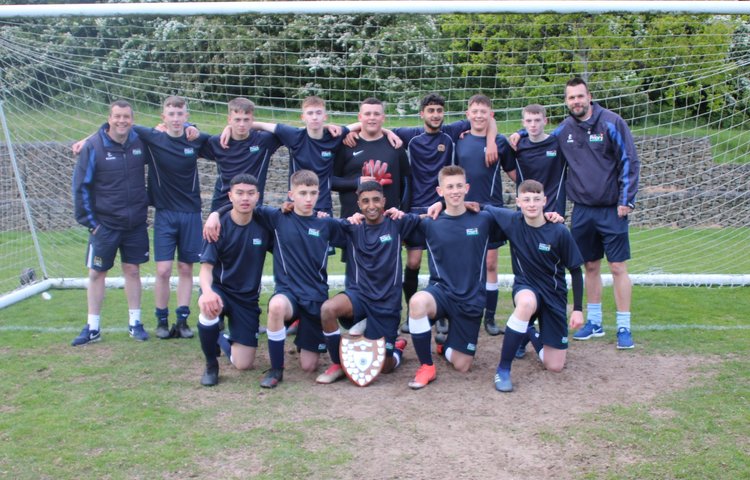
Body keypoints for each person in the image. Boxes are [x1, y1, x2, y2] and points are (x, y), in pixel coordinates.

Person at [205, 170, 347, 388]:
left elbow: (356, 232)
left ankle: (303, 340)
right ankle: (276, 369)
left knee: (309, 366)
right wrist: (215, 214)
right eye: (302, 193)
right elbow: (242, 204)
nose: (307, 199)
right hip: (288, 294)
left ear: (319, 194)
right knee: (276, 306)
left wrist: (357, 218)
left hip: (315, 298)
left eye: (312, 193)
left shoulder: (326, 224)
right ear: (291, 194)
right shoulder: (277, 217)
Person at [376, 93, 498, 334]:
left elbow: (486, 117)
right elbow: (378, 127)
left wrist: (492, 141)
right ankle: (412, 315)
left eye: (439, 111)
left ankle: (442, 313)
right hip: (416, 209)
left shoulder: (451, 133)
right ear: (422, 114)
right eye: (430, 111)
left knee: (442, 261)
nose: (435, 115)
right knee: (413, 262)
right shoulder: (410, 136)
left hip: (444, 208)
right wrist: (389, 133)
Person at [558, 78, 639, 349]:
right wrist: (519, 135)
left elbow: (629, 159)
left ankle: (624, 326)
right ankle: (594, 322)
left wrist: (626, 200)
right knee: (589, 266)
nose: (576, 102)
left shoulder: (612, 122)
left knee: (617, 267)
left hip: (611, 209)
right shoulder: (565, 129)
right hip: (582, 211)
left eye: (580, 96)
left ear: (589, 96)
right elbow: (541, 142)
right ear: (566, 101)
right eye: (571, 98)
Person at [405, 165, 501, 390]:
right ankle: (426, 366)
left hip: (471, 299)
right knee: (417, 302)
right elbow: (393, 226)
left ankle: (445, 346)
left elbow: (518, 221)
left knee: (462, 365)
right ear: (440, 191)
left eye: (459, 186)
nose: (455, 191)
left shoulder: (484, 220)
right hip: (441, 292)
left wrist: (548, 215)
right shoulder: (429, 222)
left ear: (467, 188)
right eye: (450, 187)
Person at [315, 181, 420, 384]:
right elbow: (317, 221)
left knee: (385, 369)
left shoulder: (397, 223)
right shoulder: (351, 227)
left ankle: (396, 347)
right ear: (359, 204)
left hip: (387, 304)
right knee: (328, 309)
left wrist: (441, 205)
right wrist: (295, 207)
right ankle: (338, 364)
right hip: (359, 296)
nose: (371, 205)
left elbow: (429, 218)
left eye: (375, 200)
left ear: (384, 201)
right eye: (365, 201)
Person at [484, 180, 584, 392]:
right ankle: (503, 370)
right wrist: (440, 205)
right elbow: (479, 206)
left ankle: (529, 332)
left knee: (554, 366)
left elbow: (576, 270)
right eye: (526, 199)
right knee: (526, 303)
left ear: (545, 201)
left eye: (536, 199)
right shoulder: (512, 221)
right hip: (526, 287)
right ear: (518, 202)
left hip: (554, 295)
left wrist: (577, 310)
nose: (531, 204)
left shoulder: (559, 231)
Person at [131, 96, 212, 340]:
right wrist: (86, 140)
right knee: (164, 270)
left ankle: (183, 320)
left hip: (190, 213)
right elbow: (115, 126)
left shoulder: (196, 139)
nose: (176, 118)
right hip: (165, 213)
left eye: (181, 114)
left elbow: (221, 141)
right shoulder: (153, 138)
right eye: (171, 114)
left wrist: (194, 128)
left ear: (186, 116)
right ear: (163, 118)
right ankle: (162, 320)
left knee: (186, 267)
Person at [71, 100, 151, 345]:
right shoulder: (93, 146)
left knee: (133, 271)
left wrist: (188, 125)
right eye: (117, 116)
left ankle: (135, 323)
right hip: (104, 225)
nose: (122, 121)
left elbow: (167, 130)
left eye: (126, 116)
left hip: (135, 224)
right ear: (109, 118)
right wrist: (91, 223)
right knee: (96, 273)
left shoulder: (140, 141)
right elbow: (80, 187)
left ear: (132, 119)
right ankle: (92, 328)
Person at [196, 174, 272, 386]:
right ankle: (211, 365)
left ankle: (219, 337)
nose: (245, 198)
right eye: (239, 193)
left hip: (246, 299)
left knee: (244, 364)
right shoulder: (217, 226)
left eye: (250, 193)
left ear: (258, 196)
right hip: (220, 290)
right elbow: (205, 270)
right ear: (230, 196)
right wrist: (208, 292)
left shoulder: (265, 224)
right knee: (207, 306)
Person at [455, 94, 515, 336]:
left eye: (484, 111)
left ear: (490, 115)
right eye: (475, 111)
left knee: (490, 264)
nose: (479, 115)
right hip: (462, 210)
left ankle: (489, 318)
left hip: (490, 210)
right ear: (468, 114)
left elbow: (515, 175)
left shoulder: (499, 143)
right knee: (463, 264)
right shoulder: (458, 140)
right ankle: (459, 313)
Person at [332, 97, 410, 219]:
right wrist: (356, 182)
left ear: (383, 118)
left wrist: (404, 214)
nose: (372, 117)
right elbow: (330, 181)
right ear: (360, 117)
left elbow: (407, 183)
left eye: (376, 114)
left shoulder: (395, 145)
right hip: (352, 222)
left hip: (388, 222)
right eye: (367, 114)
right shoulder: (346, 145)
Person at [199, 97, 281, 211]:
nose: (242, 124)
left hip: (251, 205)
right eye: (237, 120)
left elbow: (295, 133)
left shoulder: (264, 141)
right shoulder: (216, 142)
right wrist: (189, 127)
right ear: (229, 119)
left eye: (246, 120)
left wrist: (260, 125)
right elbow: (190, 145)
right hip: (222, 205)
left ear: (252, 120)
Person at [509, 104, 567, 217]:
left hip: (553, 210)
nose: (533, 124)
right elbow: (508, 168)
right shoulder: (516, 146)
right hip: (527, 210)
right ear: (523, 122)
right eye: (529, 121)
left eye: (537, 120)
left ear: (545, 121)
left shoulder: (558, 144)